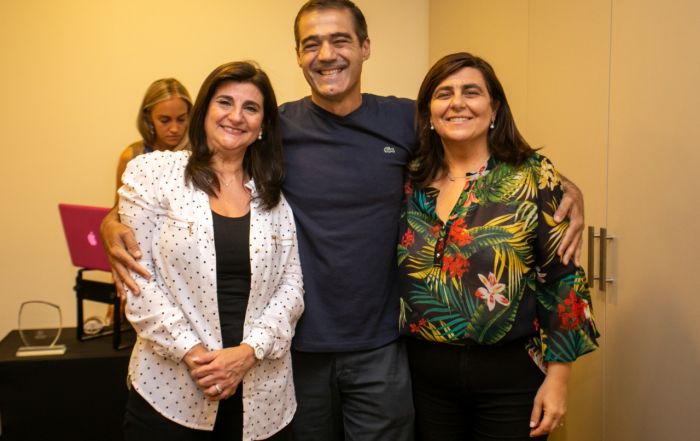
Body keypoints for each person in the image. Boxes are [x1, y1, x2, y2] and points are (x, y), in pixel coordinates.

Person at [101, 2, 586, 439]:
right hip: (297, 349)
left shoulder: (406, 121)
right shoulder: (274, 128)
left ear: (365, 47)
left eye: (340, 40)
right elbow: (205, 182)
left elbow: (477, 154)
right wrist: (111, 220)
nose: (326, 54)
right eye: (312, 43)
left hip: (383, 346)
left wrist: (562, 187)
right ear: (298, 55)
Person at [398, 52, 599, 441]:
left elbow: (562, 279)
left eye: (471, 92)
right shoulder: (409, 179)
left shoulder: (533, 177)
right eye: (444, 93)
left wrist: (559, 378)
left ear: (494, 109)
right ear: (428, 114)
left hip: (512, 378)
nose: (457, 103)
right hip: (424, 380)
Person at [118, 61, 303, 441]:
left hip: (262, 394)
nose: (236, 116)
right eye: (225, 102)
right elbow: (137, 279)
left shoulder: (274, 196)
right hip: (171, 390)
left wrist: (248, 353)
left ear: (263, 125)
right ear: (204, 111)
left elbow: (291, 288)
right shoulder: (153, 173)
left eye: (250, 108)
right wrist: (198, 357)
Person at [115, 78, 192, 191]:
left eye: (181, 119)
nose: (174, 129)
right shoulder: (132, 157)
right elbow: (121, 202)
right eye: (165, 120)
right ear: (149, 117)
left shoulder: (199, 155)